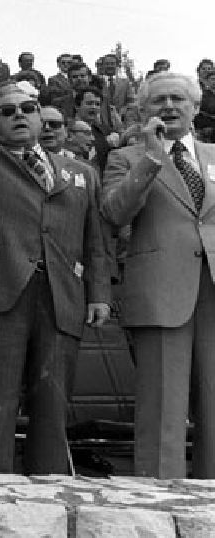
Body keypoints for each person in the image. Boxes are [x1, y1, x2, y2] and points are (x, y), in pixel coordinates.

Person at [0, 51, 110, 474]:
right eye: (6, 111)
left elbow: (95, 241)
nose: (18, 116)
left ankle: (48, 497)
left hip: (61, 297)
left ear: (42, 118)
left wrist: (99, 294)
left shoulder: (80, 171)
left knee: (52, 404)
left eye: (28, 108)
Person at [100, 72, 215, 479]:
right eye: (158, 100)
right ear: (142, 112)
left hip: (212, 290)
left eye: (178, 99)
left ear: (196, 108)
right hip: (162, 290)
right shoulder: (126, 158)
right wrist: (150, 157)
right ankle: (158, 501)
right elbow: (114, 213)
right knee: (163, 405)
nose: (169, 106)